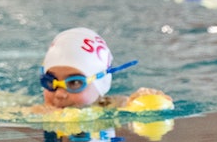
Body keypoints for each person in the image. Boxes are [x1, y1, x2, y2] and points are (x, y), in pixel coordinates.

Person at [32, 27, 173, 114]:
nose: (59, 94)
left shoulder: (115, 107)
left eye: (74, 83)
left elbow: (148, 109)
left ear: (100, 81)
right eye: (50, 81)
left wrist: (147, 99)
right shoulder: (36, 111)